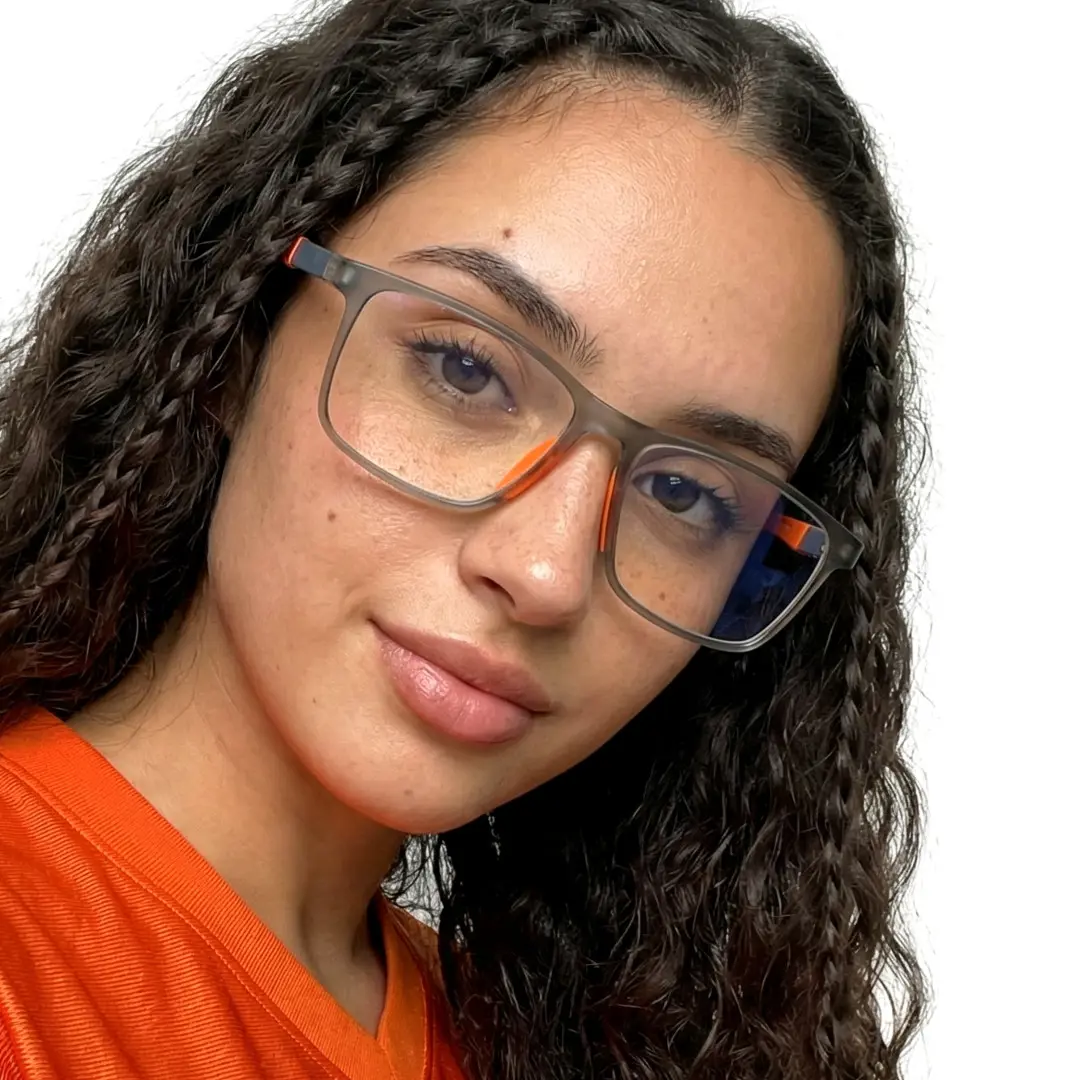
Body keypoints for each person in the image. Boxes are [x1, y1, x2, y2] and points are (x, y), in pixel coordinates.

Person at [0, 0, 926, 1076]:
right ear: (240, 331)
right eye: (465, 369)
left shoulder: (545, 1044)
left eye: (691, 495)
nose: (544, 570)